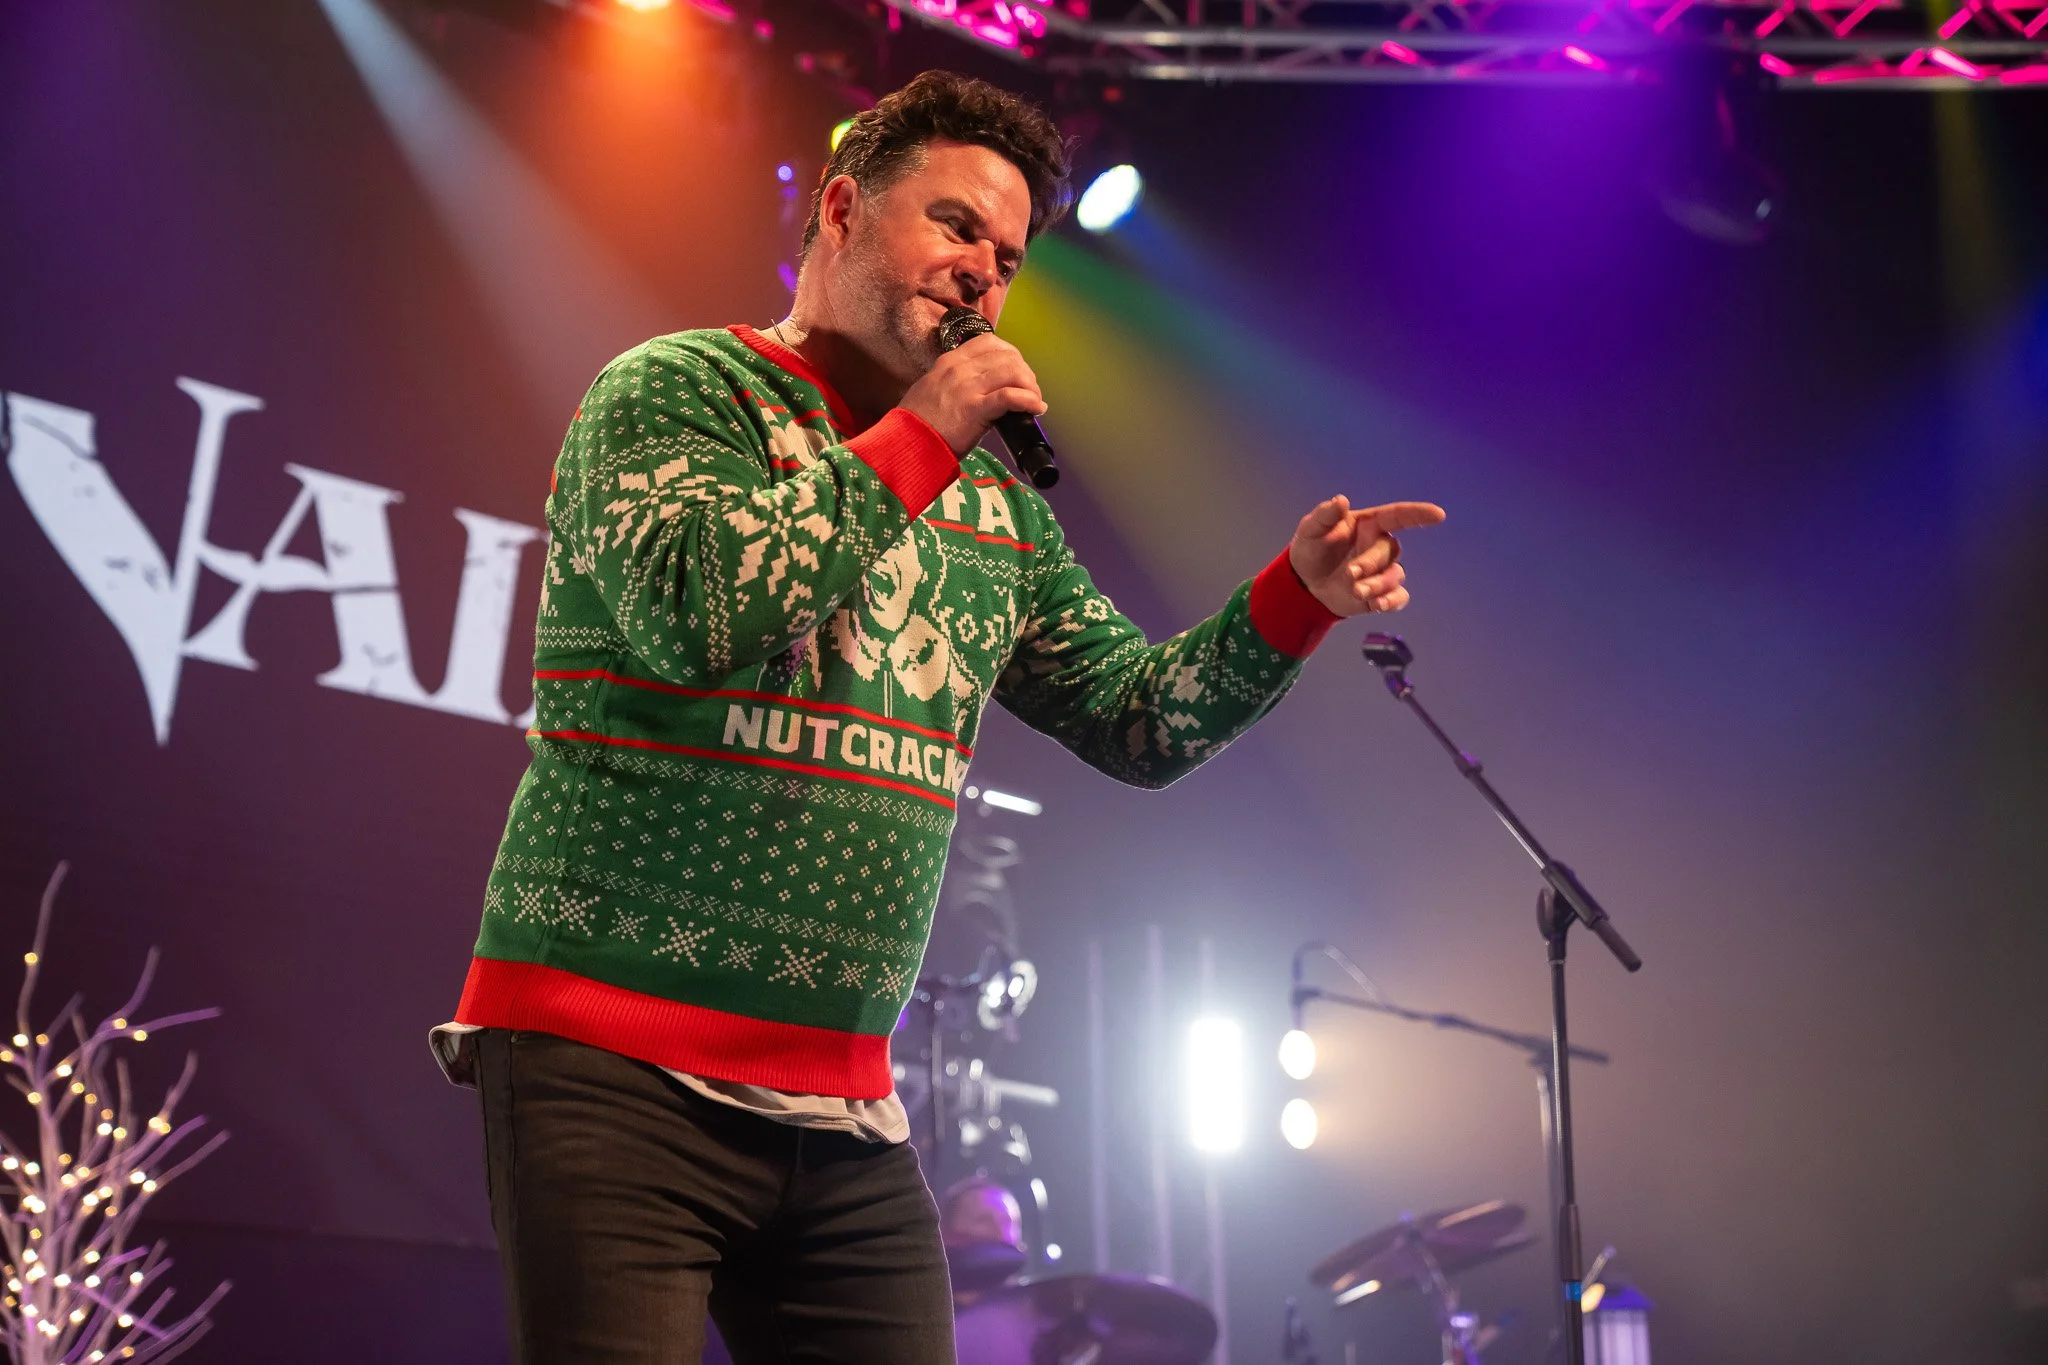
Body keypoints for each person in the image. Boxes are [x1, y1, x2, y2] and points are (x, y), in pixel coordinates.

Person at [430, 68, 1444, 1365]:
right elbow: (697, 614)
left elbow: (1138, 724)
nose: (982, 273)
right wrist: (925, 432)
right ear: (842, 211)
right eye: (956, 225)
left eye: (1007, 258)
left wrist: (1293, 602)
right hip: (609, 1062)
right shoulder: (677, 392)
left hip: (844, 1110)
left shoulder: (994, 510)